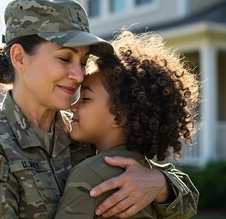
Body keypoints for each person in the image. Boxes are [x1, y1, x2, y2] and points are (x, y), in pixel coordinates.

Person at [0, 0, 198, 219]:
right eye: (65, 58)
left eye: (83, 61)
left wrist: (160, 184)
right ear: (19, 57)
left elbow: (188, 200)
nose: (78, 75)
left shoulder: (81, 129)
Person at [54, 30, 200, 218]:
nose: (72, 106)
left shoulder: (88, 174)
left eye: (85, 99)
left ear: (119, 117)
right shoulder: (146, 169)